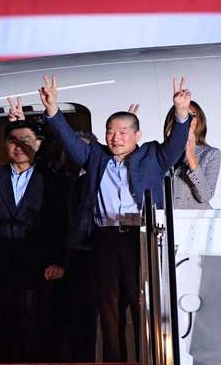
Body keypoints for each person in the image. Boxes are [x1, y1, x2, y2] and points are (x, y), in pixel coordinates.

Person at [39, 75, 193, 361]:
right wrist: (52, 109)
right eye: (110, 131)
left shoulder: (152, 155)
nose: (115, 137)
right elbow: (69, 140)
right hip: (105, 239)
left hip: (141, 239)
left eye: (123, 131)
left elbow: (176, 145)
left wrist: (181, 112)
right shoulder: (95, 156)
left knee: (142, 304)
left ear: (137, 135)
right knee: (109, 309)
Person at [0, 117, 66, 362]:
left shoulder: (52, 180)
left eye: (26, 140)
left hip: (38, 266)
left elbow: (61, 224)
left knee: (35, 328)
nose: (19, 146)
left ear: (38, 144)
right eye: (12, 140)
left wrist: (58, 261)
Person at [163, 100, 220, 209]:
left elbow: (205, 196)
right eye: (182, 115)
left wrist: (191, 157)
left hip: (195, 218)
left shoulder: (210, 154)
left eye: (192, 116)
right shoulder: (159, 153)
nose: (187, 119)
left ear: (199, 121)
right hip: (165, 218)